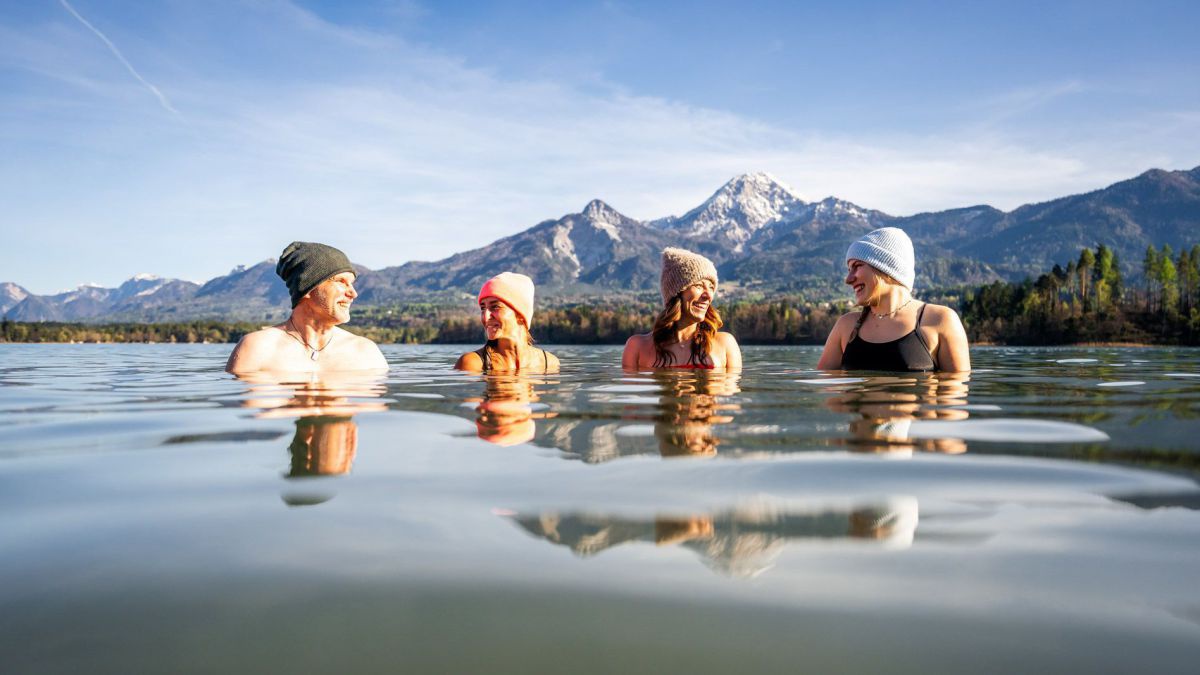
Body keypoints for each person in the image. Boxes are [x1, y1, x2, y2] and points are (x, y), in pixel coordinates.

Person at [817, 227, 970, 372]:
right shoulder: (846, 326)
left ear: (886, 269)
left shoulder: (939, 320)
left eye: (857, 266)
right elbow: (825, 389)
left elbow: (954, 394)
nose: (848, 279)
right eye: (849, 269)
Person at [225, 241, 387, 374]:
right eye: (340, 281)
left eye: (351, 283)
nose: (353, 293)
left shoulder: (365, 352)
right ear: (307, 288)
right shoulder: (257, 348)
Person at [622, 248, 742, 371]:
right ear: (676, 293)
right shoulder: (637, 346)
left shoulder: (725, 344)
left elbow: (732, 388)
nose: (708, 295)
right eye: (699, 286)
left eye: (711, 287)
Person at [455, 272, 560, 373]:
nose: (486, 317)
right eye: (483, 308)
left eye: (495, 307)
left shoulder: (550, 363)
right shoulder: (472, 364)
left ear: (520, 314)